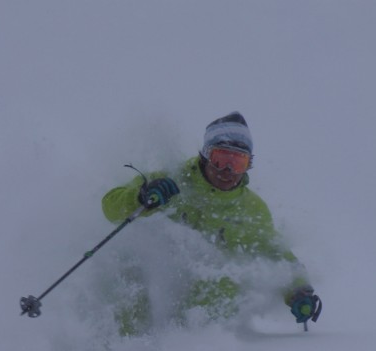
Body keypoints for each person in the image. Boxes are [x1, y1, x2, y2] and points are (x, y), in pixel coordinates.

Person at [101, 111, 321, 335]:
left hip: (205, 306)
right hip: (158, 281)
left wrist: (299, 290)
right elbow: (109, 207)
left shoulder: (252, 209)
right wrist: (140, 197)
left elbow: (275, 254)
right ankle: (125, 347)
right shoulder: (172, 181)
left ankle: (195, 348)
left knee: (224, 278)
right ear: (205, 155)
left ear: (249, 164)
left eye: (238, 162)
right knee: (131, 267)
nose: (227, 171)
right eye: (221, 159)